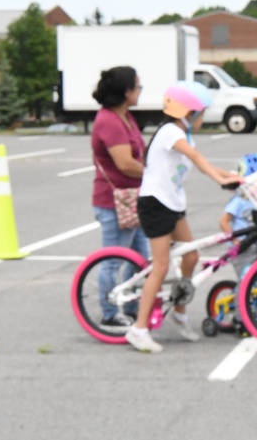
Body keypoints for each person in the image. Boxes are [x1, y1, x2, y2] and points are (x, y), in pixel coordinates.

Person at [126, 81, 243, 353]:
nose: (202, 118)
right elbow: (194, 156)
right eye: (200, 113)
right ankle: (138, 329)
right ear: (187, 113)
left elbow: (202, 161)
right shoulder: (169, 132)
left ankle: (178, 313)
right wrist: (219, 180)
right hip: (155, 204)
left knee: (191, 257)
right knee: (162, 266)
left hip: (172, 203)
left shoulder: (184, 135)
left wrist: (231, 176)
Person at [91, 66, 149, 327]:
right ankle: (109, 313)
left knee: (140, 258)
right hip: (115, 202)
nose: (140, 91)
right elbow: (126, 163)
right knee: (113, 260)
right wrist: (154, 174)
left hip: (131, 198)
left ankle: (133, 305)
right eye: (137, 86)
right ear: (126, 92)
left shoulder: (125, 117)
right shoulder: (109, 121)